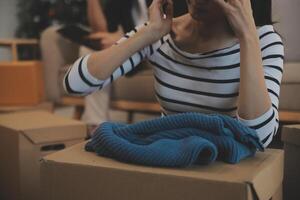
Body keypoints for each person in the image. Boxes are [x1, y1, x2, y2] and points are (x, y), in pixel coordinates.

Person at [64, 0, 284, 147]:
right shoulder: (164, 31)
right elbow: (75, 84)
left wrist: (247, 35)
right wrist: (149, 32)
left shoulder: (262, 40)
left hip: (228, 169)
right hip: (170, 159)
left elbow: (258, 137)